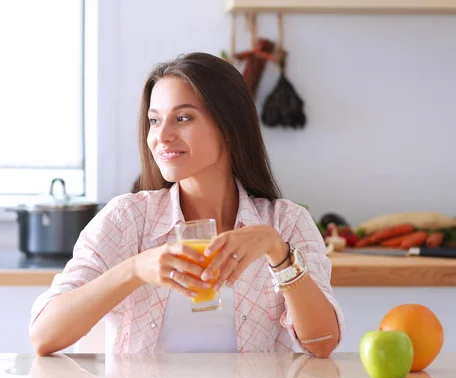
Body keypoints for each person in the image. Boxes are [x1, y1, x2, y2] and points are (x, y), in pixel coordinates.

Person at [30, 52, 345, 356]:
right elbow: (44, 337)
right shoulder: (127, 219)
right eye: (154, 120)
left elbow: (322, 343)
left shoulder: (286, 223)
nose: (162, 136)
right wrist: (134, 270)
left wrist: (279, 254)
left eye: (182, 118)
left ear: (229, 127)